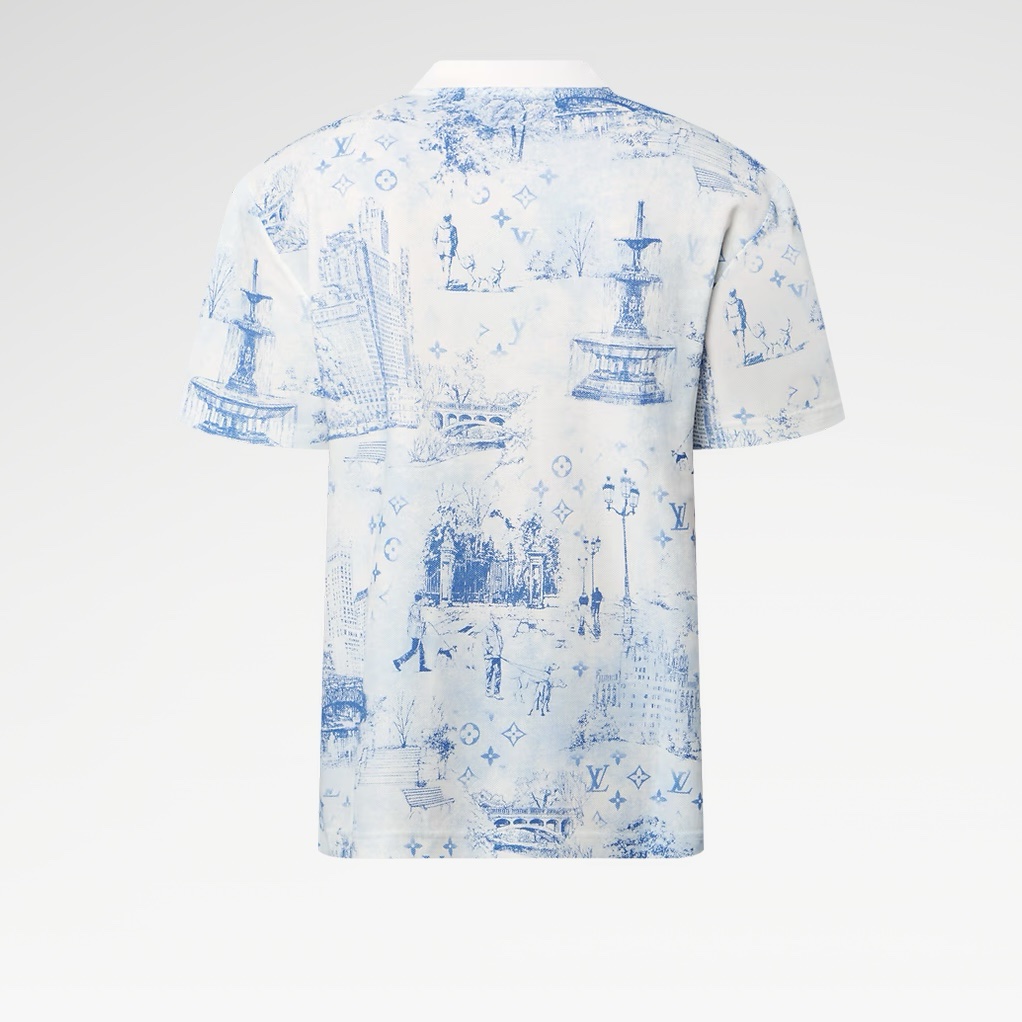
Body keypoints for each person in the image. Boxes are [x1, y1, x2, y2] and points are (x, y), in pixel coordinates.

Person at [394, 593, 431, 672]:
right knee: (414, 650)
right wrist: (422, 623)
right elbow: (415, 620)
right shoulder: (415, 607)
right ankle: (398, 661)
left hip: (416, 631)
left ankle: (422, 665)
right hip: (415, 632)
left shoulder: (415, 607)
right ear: (420, 599)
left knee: (421, 648)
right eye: (423, 599)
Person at [483, 614, 503, 698]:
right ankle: (488, 691)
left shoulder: (498, 630)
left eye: (498, 618)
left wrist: (500, 651)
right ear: (491, 618)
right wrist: (491, 651)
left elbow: (501, 642)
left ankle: (496, 692)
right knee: (489, 673)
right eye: (496, 618)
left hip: (497, 656)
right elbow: (484, 643)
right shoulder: (486, 629)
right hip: (489, 657)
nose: (498, 620)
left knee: (498, 674)